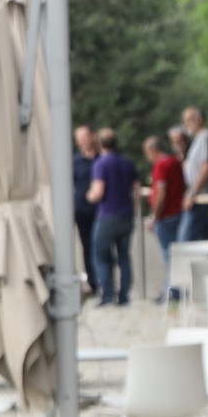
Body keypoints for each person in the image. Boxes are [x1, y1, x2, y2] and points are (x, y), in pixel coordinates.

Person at [86, 128, 137, 307]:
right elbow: (136, 191)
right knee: (124, 256)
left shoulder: (100, 164)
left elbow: (98, 192)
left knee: (100, 255)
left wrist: (89, 195)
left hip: (107, 215)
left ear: (100, 144)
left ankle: (107, 295)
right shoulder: (127, 162)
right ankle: (124, 295)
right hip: (126, 215)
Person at [147, 134, 187, 303]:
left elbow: (161, 193)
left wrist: (155, 217)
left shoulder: (161, 165)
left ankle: (173, 291)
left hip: (166, 216)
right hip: (179, 213)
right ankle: (173, 288)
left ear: (152, 150)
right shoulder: (175, 162)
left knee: (169, 256)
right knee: (176, 254)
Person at [70, 124, 99, 290]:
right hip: (82, 210)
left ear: (92, 136)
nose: (82, 141)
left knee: (102, 246)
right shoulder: (75, 161)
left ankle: (105, 282)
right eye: (79, 139)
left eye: (84, 137)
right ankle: (93, 282)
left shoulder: (102, 159)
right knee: (87, 246)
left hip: (102, 210)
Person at [183, 105, 208, 244]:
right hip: (197, 196)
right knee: (202, 242)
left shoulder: (205, 137)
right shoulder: (198, 139)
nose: (186, 124)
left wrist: (193, 193)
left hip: (200, 197)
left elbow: (206, 168)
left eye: (189, 119)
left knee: (184, 240)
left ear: (200, 119)